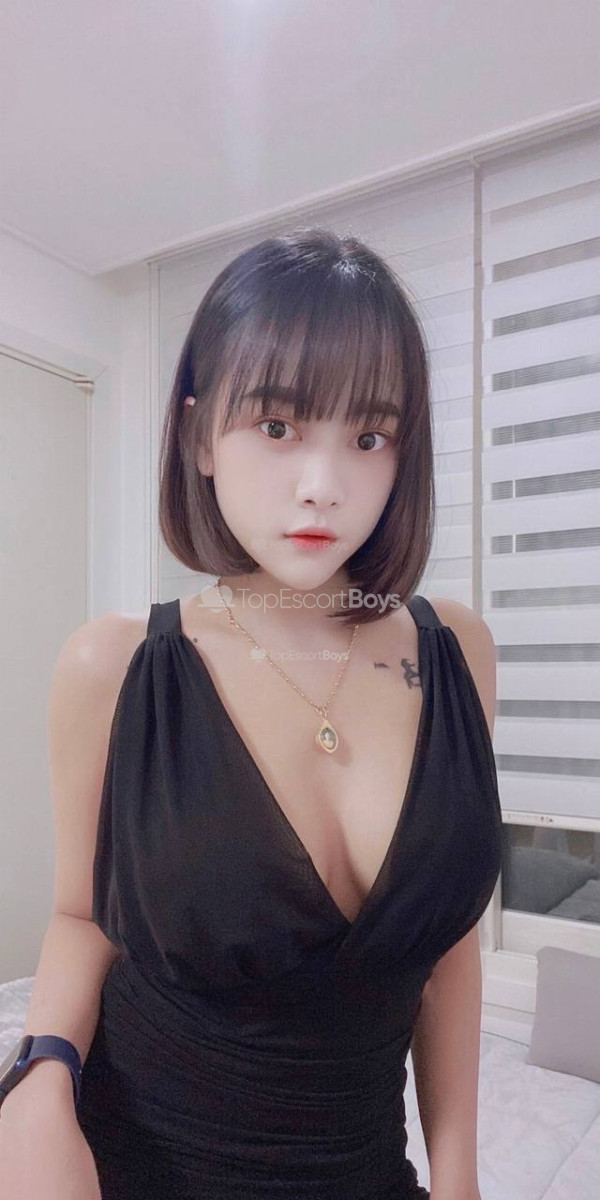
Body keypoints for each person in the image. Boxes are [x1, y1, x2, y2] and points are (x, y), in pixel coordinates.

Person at [0, 227, 503, 1199]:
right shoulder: (116, 668)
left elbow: (447, 950)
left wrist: (459, 1177)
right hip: (137, 1165)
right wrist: (41, 1077)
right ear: (199, 437)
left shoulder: (456, 653)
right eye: (278, 426)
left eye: (369, 437)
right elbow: (80, 915)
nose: (324, 485)